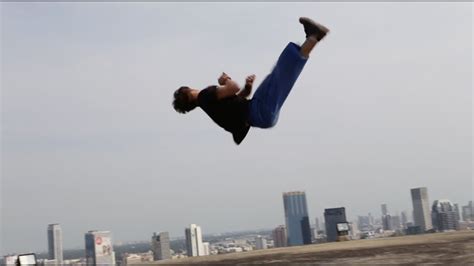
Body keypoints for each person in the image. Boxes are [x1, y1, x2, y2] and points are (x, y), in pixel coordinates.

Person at [172, 17, 329, 145]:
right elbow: (233, 88)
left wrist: (248, 87)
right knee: (281, 73)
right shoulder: (205, 96)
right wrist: (225, 80)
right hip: (258, 111)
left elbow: (239, 97)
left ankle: (313, 38)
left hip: (262, 116)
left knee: (283, 76)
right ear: (186, 90)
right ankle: (314, 36)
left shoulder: (209, 106)